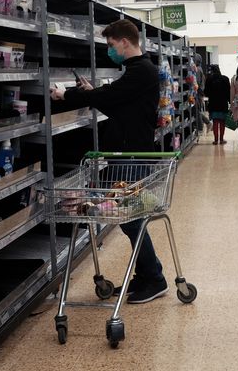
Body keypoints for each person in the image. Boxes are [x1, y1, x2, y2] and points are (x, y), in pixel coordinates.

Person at [49, 19, 169, 303]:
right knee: (129, 217)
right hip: (127, 153)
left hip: (132, 155)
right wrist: (90, 93)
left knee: (130, 219)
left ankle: (155, 278)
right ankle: (145, 276)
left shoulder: (142, 71)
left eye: (111, 45)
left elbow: (113, 96)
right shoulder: (137, 71)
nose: (110, 51)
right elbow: (116, 102)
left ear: (124, 41)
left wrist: (69, 94)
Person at [204, 65, 230, 145]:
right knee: (222, 122)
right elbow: (229, 92)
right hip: (223, 103)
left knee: (215, 121)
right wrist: (229, 101)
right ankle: (221, 139)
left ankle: (215, 140)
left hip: (213, 103)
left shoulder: (209, 79)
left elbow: (206, 92)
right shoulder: (225, 79)